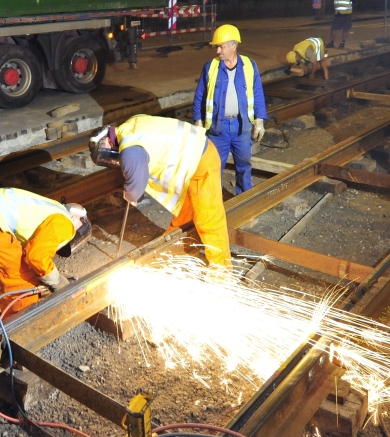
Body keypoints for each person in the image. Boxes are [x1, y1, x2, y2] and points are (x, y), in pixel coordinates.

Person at [89, 115, 231, 268]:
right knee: (185, 212)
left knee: (208, 218)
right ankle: (180, 250)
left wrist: (131, 194)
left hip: (200, 160)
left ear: (108, 142)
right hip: (192, 156)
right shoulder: (130, 125)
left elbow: (136, 187)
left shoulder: (129, 149)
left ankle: (221, 270)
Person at [0, 187, 91, 317]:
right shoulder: (65, 223)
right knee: (23, 283)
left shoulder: (51, 209)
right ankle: (11, 331)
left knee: (18, 269)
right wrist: (57, 282)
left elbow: (30, 252)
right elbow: (37, 256)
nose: (70, 236)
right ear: (75, 217)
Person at [192, 24, 267, 195]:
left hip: (242, 127)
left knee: (244, 166)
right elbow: (200, 96)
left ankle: (244, 203)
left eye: (221, 46)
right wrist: (197, 120)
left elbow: (258, 94)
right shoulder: (211, 67)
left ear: (234, 46)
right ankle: (214, 207)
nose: (218, 51)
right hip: (218, 128)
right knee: (213, 168)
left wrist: (259, 121)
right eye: (217, 46)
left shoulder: (249, 65)